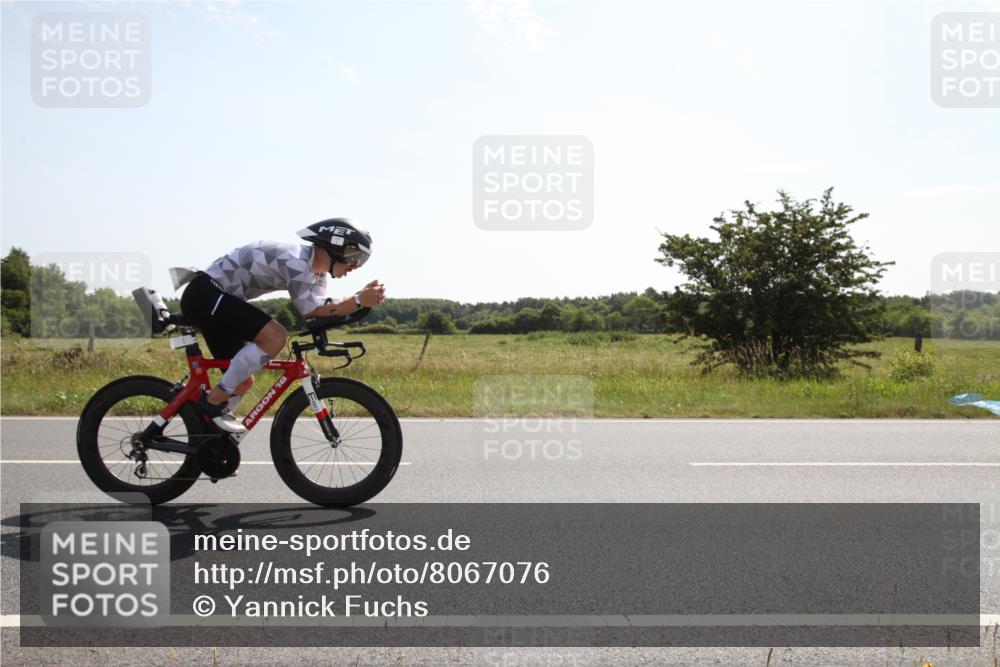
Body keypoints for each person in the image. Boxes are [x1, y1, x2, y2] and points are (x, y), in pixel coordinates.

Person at [179, 219, 385, 433]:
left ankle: (209, 434)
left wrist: (358, 301)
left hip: (215, 299)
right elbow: (311, 310)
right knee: (275, 337)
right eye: (354, 257)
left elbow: (323, 310)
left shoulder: (317, 274)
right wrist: (358, 301)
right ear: (336, 248)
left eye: (361, 261)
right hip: (206, 295)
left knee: (242, 381)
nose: (355, 266)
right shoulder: (297, 262)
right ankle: (213, 400)